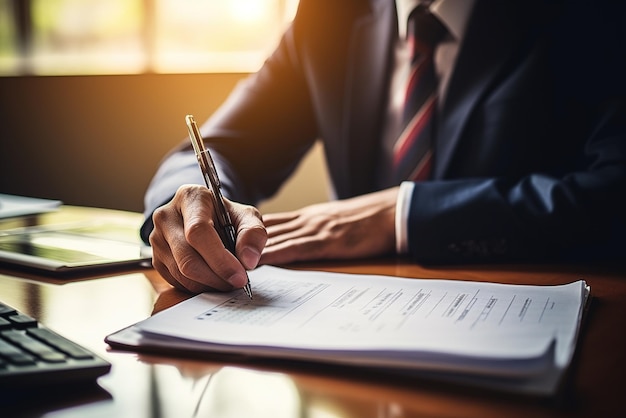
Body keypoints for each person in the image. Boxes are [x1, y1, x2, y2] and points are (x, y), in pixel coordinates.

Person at [142, 0, 626, 294]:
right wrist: (190, 202)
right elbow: (208, 152)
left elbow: (613, 193)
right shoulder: (331, 16)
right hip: (353, 334)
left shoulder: (591, 15)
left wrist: (401, 215)